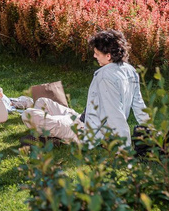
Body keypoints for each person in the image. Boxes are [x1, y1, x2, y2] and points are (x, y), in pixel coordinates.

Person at [21, 30, 149, 146]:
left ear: (108, 56)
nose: (94, 56)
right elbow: (139, 104)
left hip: (85, 131)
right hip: (82, 119)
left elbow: (115, 113)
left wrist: (124, 147)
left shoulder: (105, 77)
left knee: (28, 115)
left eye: (97, 53)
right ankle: (49, 135)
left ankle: (53, 136)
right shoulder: (130, 70)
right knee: (42, 102)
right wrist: (151, 130)